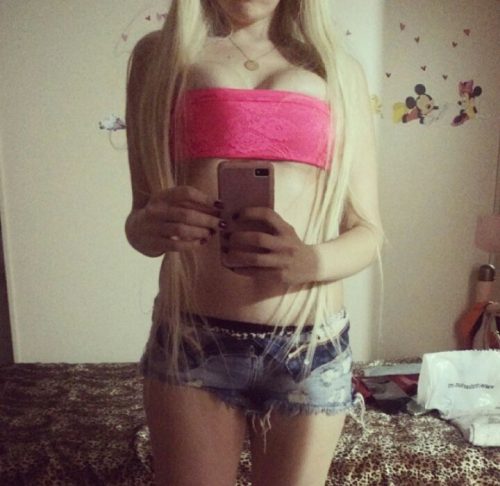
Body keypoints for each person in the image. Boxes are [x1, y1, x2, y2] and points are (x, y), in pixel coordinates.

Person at [125, 1, 383, 485]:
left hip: (310, 344)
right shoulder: (158, 58)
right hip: (192, 337)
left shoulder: (337, 69)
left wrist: (308, 261)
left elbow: (369, 233)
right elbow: (139, 224)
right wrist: (150, 226)